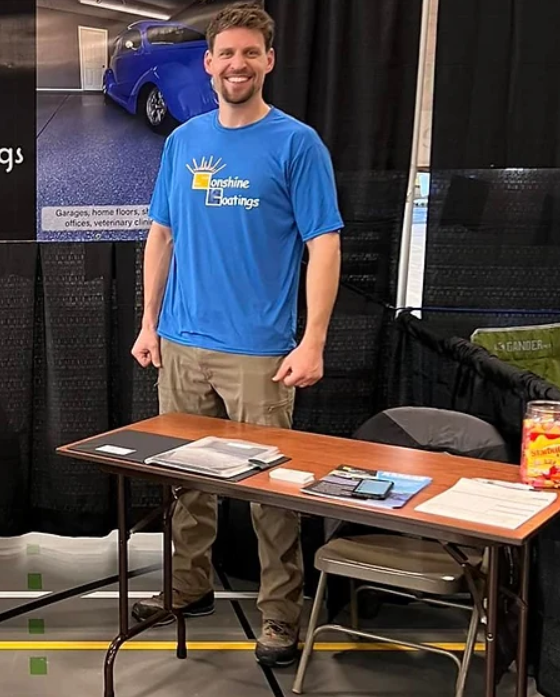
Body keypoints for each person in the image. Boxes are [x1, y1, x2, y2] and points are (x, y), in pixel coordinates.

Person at [129, 2, 343, 668]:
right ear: (209, 62)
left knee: (271, 492)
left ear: (268, 61)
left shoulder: (296, 143)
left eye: (250, 53)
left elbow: (324, 244)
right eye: (226, 53)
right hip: (184, 343)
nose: (237, 64)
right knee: (184, 482)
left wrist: (311, 341)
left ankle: (280, 614)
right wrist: (148, 322)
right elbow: (161, 234)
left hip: (261, 351)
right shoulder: (185, 141)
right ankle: (187, 587)